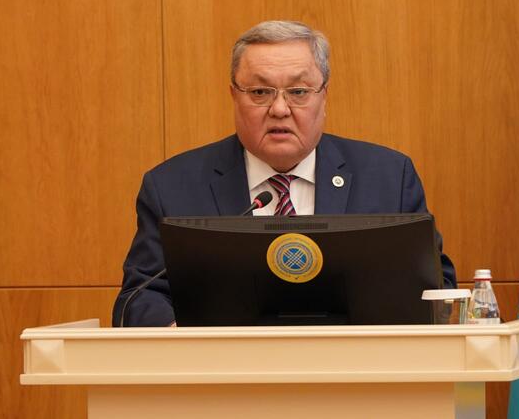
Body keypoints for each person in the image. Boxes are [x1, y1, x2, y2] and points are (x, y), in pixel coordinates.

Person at [112, 20, 456, 326]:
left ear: (324, 96)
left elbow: (436, 287)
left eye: (298, 92)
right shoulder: (172, 187)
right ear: (234, 96)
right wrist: (181, 339)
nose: (279, 109)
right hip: (225, 373)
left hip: (354, 370)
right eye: (260, 92)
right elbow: (137, 299)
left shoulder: (388, 178)